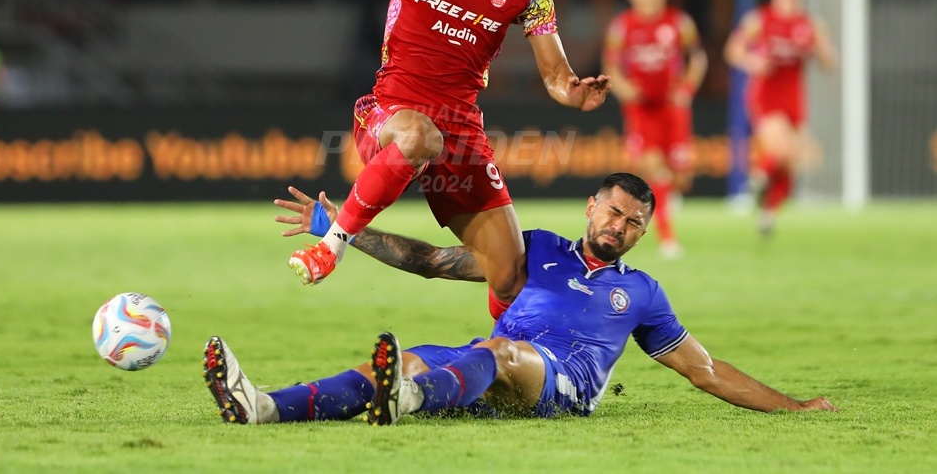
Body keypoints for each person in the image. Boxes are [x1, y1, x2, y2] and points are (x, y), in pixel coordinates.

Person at [219, 0, 609, 317]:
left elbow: (555, 75)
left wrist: (574, 93)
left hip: (461, 130)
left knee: (508, 274)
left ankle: (506, 370)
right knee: (419, 135)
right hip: (391, 115)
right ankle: (333, 245)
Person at [201, 173, 836, 425]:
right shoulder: (536, 249)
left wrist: (798, 406)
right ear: (592, 207)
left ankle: (413, 397)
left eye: (635, 223)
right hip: (489, 363)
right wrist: (340, 232)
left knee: (498, 351)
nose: (621, 227)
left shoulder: (641, 292)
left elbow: (705, 370)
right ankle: (262, 407)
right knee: (408, 360)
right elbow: (430, 261)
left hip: (563, 388)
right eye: (614, 212)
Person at [724, 0, 837, 235]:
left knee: (791, 164)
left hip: (794, 101)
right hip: (765, 97)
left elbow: (830, 63)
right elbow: (733, 50)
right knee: (787, 149)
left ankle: (767, 212)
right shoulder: (759, 20)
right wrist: (754, 62)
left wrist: (822, 52)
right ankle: (755, 180)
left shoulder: (810, 24)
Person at [602, 0, 707, 258]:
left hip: (672, 109)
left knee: (681, 176)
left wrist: (686, 88)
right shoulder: (621, 27)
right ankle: (668, 237)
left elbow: (697, 58)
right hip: (641, 109)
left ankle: (669, 196)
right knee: (653, 167)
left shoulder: (679, 22)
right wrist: (623, 88)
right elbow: (611, 65)